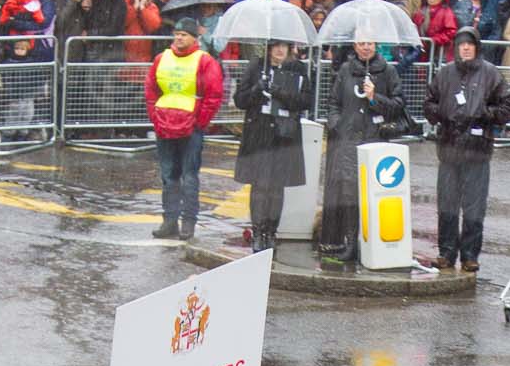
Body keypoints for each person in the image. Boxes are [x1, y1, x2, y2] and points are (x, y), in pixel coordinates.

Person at [423, 27, 510, 273]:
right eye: (461, 44)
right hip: (449, 149)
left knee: (474, 206)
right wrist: (440, 114)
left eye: (469, 44)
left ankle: (470, 254)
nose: (465, 48)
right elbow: (429, 102)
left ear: (476, 47)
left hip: (477, 150)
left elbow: (508, 106)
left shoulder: (491, 74)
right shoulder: (445, 74)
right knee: (447, 204)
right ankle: (446, 252)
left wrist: (487, 114)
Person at [316, 35, 402, 263]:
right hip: (349, 142)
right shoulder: (345, 70)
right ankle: (351, 242)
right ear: (355, 46)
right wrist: (337, 124)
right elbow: (333, 102)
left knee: (373, 196)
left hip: (375, 141)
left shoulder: (388, 72)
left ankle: (371, 243)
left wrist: (375, 98)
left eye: (370, 43)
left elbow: (398, 106)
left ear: (376, 45)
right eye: (362, 43)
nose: (366, 47)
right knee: (350, 194)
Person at [144, 18, 223, 241]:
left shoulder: (205, 61)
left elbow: (213, 95)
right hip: (165, 125)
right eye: (176, 34)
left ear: (194, 38)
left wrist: (199, 122)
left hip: (191, 128)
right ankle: (169, 221)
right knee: (169, 176)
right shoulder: (162, 58)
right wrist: (155, 117)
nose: (179, 38)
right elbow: (151, 89)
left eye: (184, 34)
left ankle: (188, 222)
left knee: (189, 176)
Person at [231, 38, 311, 253]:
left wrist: (279, 92)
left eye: (283, 46)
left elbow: (305, 101)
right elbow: (239, 99)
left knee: (277, 186)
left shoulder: (298, 68)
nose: (279, 50)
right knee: (260, 185)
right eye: (275, 46)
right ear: (268, 48)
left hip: (285, 134)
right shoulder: (256, 66)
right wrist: (258, 89)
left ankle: (270, 232)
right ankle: (257, 231)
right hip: (260, 133)